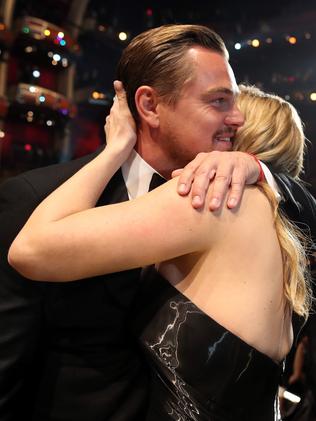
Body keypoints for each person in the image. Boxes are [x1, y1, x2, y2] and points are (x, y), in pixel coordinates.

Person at [0, 24, 264, 421]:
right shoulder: (35, 199)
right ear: (150, 106)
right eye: (219, 101)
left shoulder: (230, 200)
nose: (238, 118)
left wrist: (257, 167)